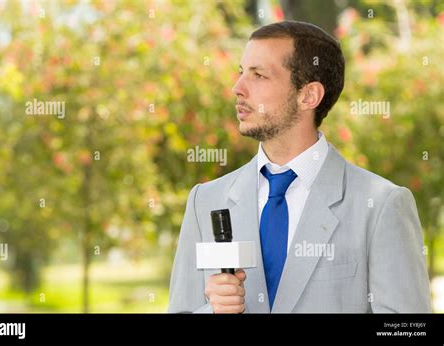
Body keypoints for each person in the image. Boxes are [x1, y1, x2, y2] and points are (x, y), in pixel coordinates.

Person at [168, 20, 431, 313]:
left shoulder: (382, 204)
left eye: (258, 75)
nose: (237, 88)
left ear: (308, 96)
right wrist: (212, 310)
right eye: (241, 72)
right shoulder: (205, 201)